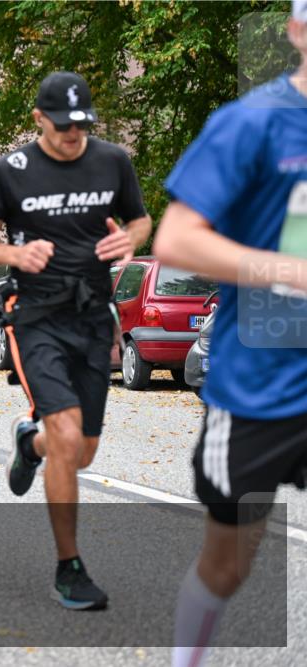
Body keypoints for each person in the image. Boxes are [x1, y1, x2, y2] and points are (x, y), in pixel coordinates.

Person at [0, 71, 151, 610]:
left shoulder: (112, 161)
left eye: (82, 125)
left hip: (93, 317)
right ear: (39, 119)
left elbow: (140, 221)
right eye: (63, 126)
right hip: (36, 316)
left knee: (81, 452)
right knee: (68, 437)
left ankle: (31, 443)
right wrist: (13, 255)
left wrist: (127, 238)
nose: (74, 135)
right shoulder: (11, 171)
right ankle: (69, 568)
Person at [152, 3, 307, 662]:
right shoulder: (251, 123)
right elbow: (177, 238)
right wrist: (288, 270)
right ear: (299, 30)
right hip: (260, 388)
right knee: (228, 564)